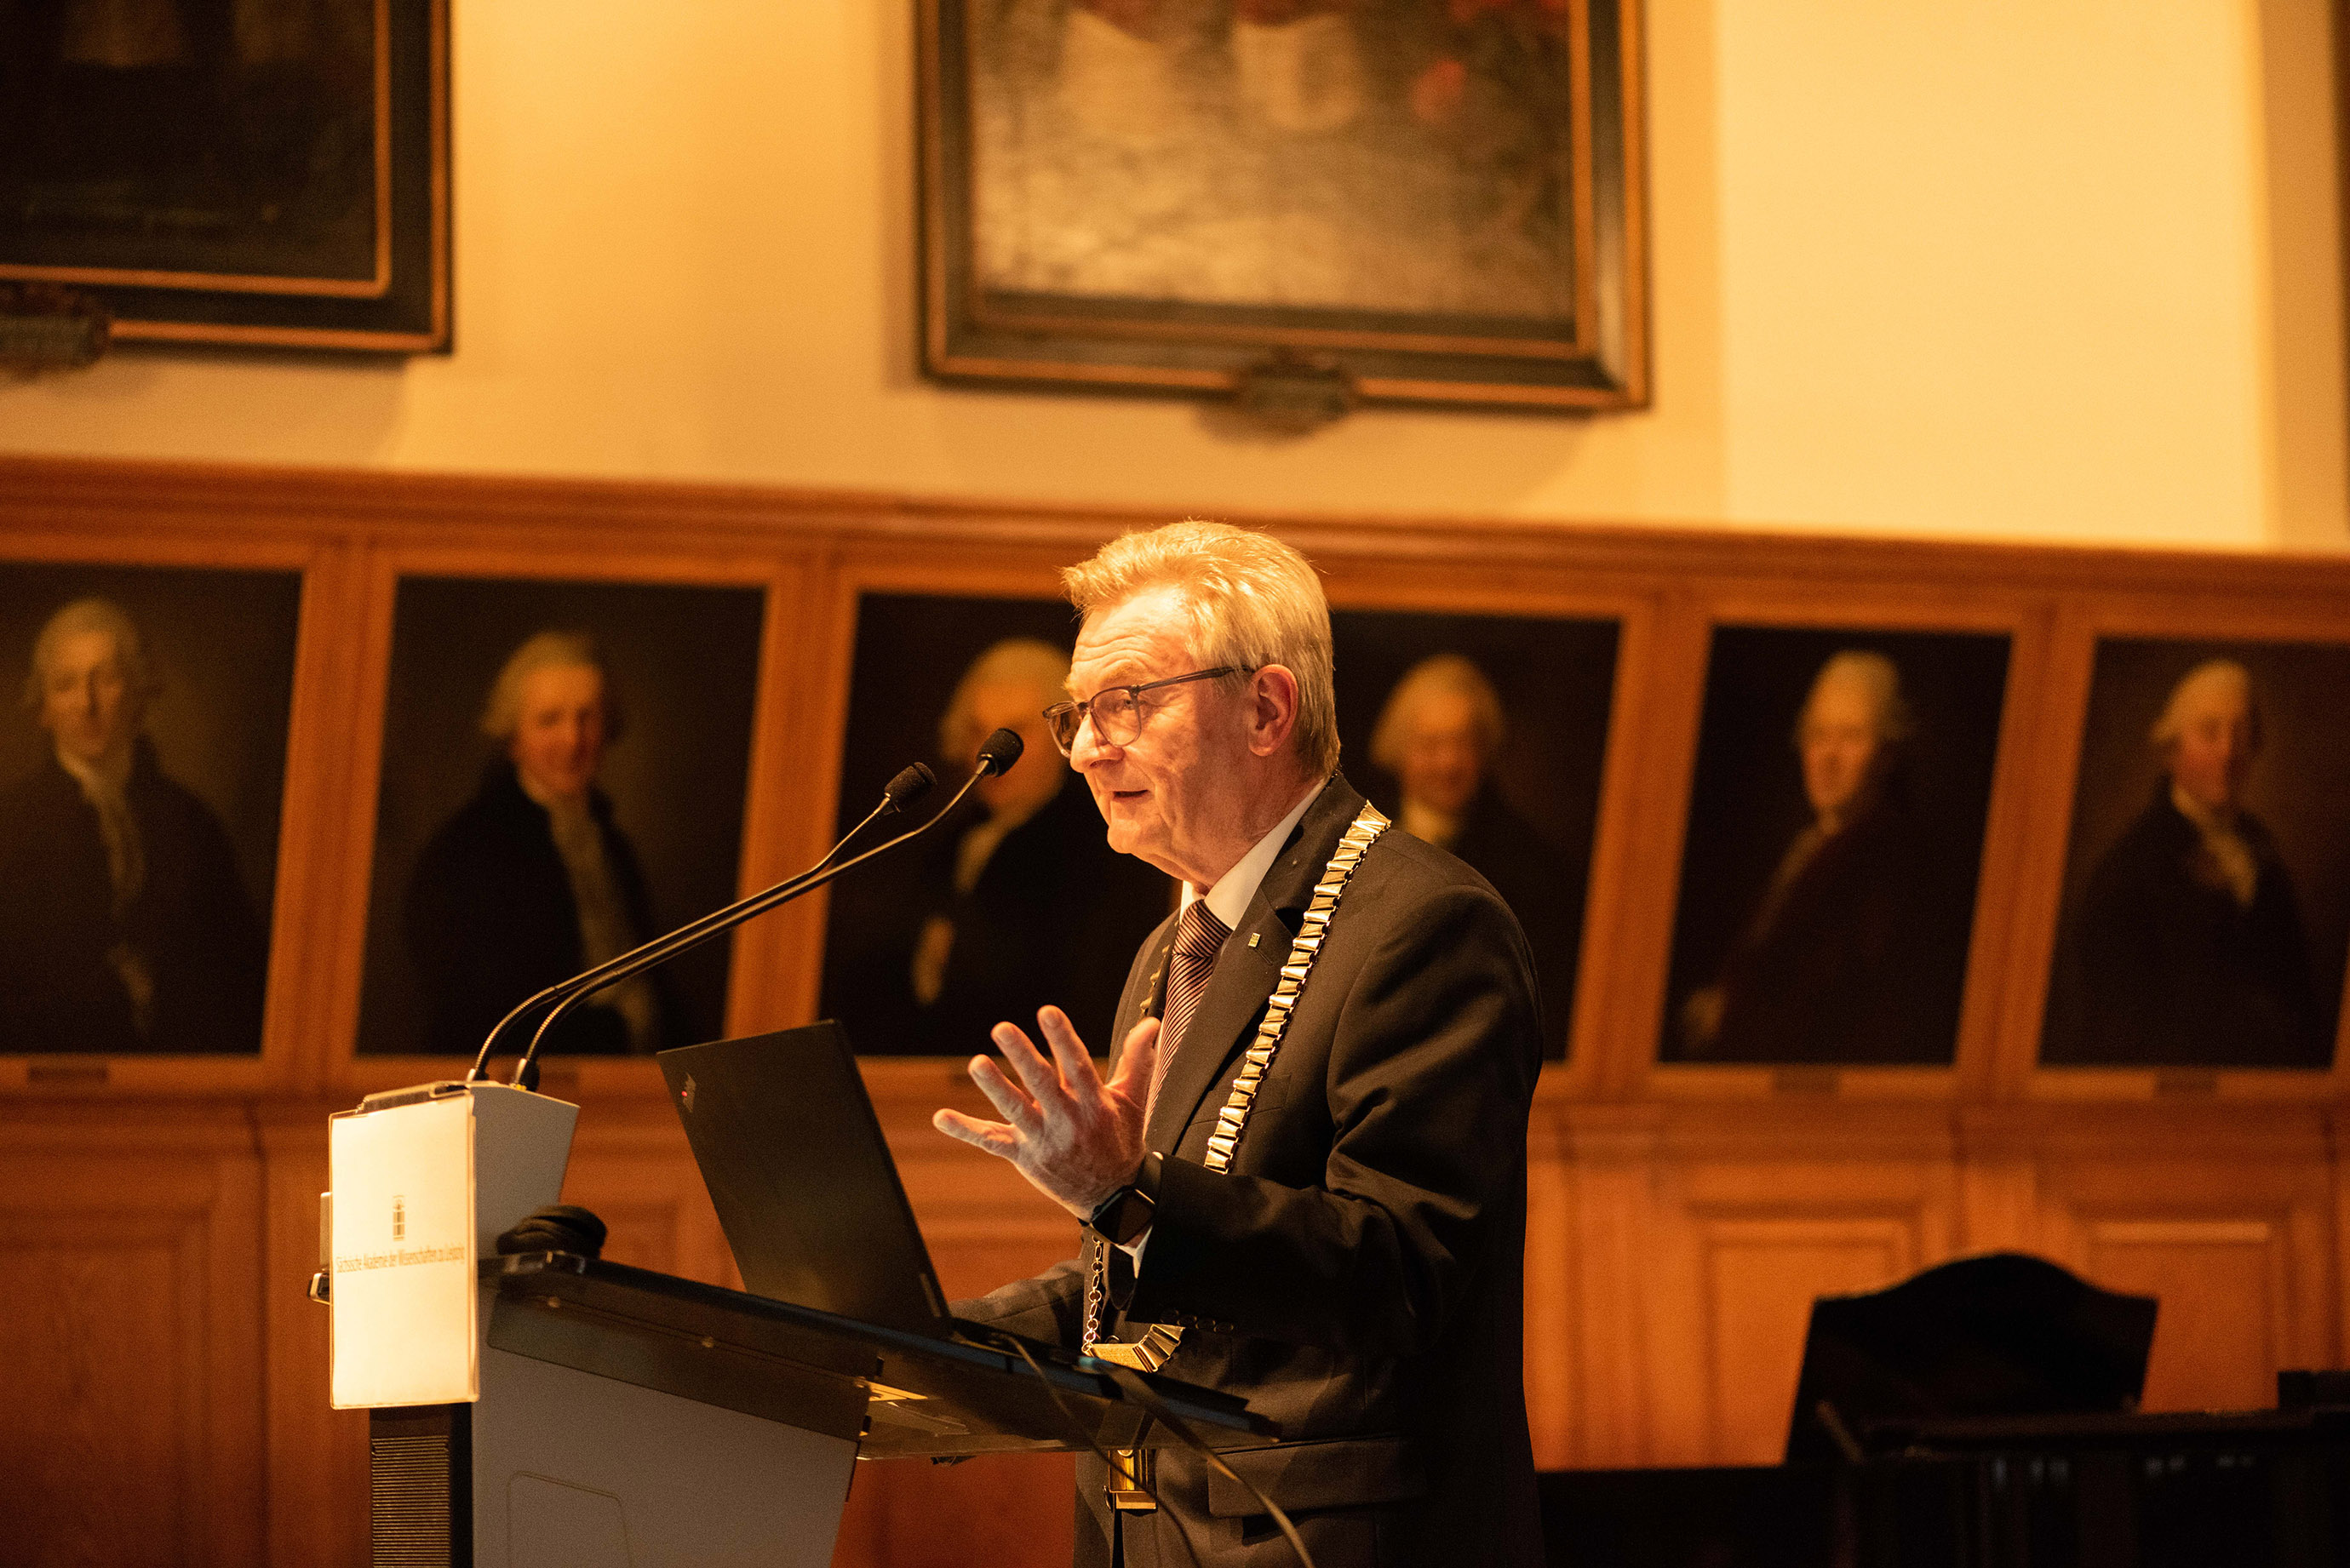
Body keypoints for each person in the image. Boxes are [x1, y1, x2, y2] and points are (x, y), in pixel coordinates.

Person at [937, 521, 1545, 1567]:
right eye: (1078, 714)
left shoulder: (1424, 924)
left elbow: (1401, 1272)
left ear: (1267, 708)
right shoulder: (1169, 946)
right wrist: (928, 1345)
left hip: (1327, 1538)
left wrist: (1123, 1193)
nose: (1086, 746)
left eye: (1128, 701)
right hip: (1150, 1530)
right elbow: (1153, 1266)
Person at [832, 638, 1169, 1056]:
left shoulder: (1105, 845)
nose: (987, 752)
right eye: (977, 730)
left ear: (1063, 734)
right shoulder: (945, 840)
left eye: (1013, 732)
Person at [0, 597, 267, 1053]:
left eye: (105, 678)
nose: (87, 703)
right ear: (42, 707)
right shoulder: (11, 824)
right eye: (65, 685)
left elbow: (239, 973)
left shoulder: (192, 823)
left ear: (139, 690)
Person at [1678, 650, 1967, 1064]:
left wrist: (1733, 1016)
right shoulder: (1809, 843)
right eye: (1818, 735)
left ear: (1887, 753)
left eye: (1851, 737)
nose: (1828, 757)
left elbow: (1839, 1007)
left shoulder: (1889, 861)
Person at [403, 631, 680, 1057]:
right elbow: (485, 1015)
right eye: (550, 720)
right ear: (513, 737)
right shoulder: (468, 852)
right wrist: (615, 1033)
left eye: (587, 717)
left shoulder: (613, 844)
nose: (573, 739)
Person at [2044, 660, 2327, 1067]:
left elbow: (2299, 1003)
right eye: (2209, 733)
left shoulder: (2265, 856)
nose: (2228, 752)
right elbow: (2125, 1027)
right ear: (2171, 750)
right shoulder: (2131, 868)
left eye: (2241, 733)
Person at [1369, 651, 1579, 1041]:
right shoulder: (1355, 833)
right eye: (1431, 745)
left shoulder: (1531, 865)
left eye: (1461, 744)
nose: (1448, 765)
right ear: (1399, 751)